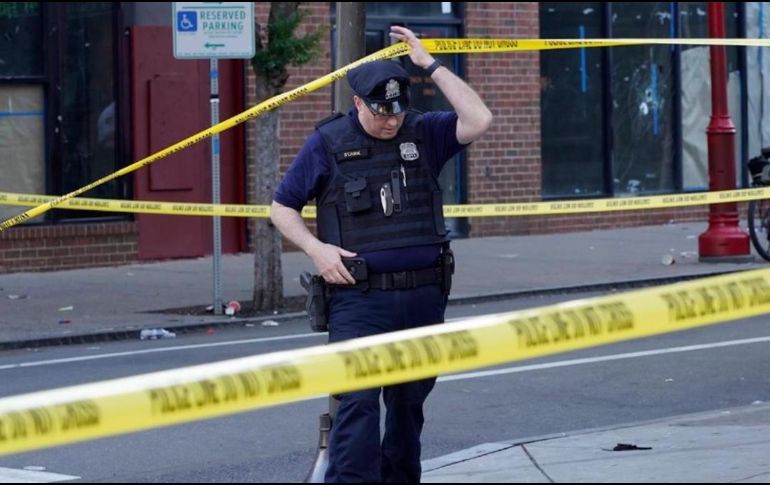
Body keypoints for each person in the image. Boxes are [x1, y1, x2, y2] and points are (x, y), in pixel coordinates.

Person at [271, 25, 492, 483]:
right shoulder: (328, 143)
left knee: (409, 408)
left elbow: (478, 119)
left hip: (423, 297)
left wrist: (430, 64)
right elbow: (281, 207)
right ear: (358, 104)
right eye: (380, 113)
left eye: (397, 111)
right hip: (359, 298)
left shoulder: (423, 132)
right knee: (358, 405)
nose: (390, 121)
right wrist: (316, 250)